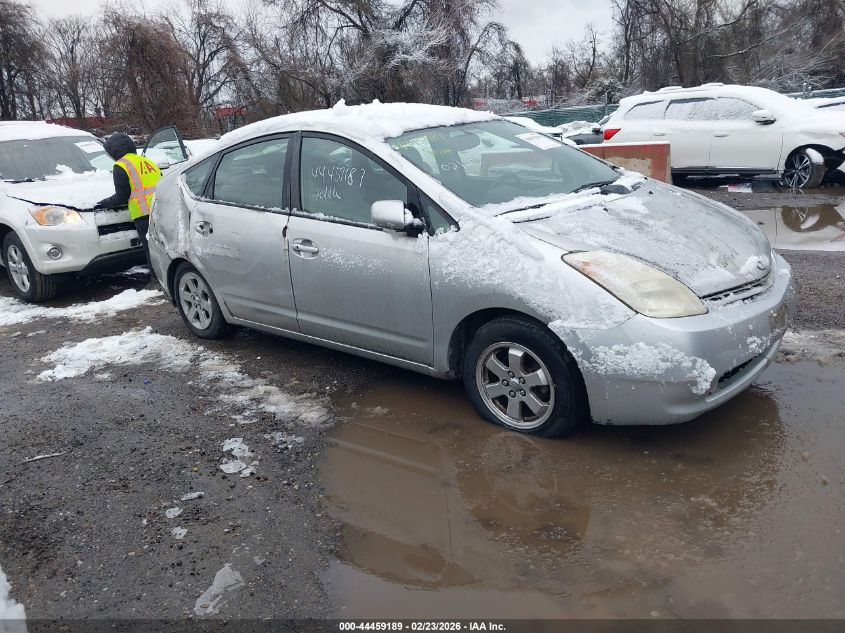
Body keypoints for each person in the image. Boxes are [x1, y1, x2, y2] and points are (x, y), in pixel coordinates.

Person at [96, 133, 161, 278]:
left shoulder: (121, 166)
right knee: (163, 247)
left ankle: (157, 279)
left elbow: (122, 196)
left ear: (114, 150)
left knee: (150, 249)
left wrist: (104, 203)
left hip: (143, 214)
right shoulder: (146, 161)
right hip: (161, 209)